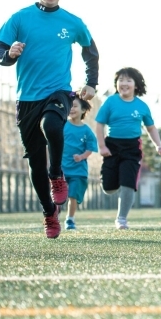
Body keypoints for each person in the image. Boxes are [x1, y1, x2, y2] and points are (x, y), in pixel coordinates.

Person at [0, 0, 99, 239]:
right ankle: (49, 214)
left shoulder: (73, 22)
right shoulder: (20, 18)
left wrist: (91, 82)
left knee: (52, 125)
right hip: (27, 99)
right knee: (35, 163)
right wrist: (9, 54)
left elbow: (91, 52)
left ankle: (57, 174)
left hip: (59, 91)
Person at [96, 67, 161, 230]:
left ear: (136, 85)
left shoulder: (142, 106)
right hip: (112, 146)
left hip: (132, 148)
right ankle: (112, 182)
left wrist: (158, 145)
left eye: (128, 80)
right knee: (109, 188)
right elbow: (100, 124)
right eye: (120, 80)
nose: (124, 83)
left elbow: (151, 128)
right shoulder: (110, 102)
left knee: (128, 183)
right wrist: (102, 146)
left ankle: (121, 219)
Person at [62, 95, 98, 230]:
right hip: (61, 169)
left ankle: (70, 219)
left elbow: (91, 148)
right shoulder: (62, 125)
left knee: (73, 195)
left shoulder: (86, 130)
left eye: (75, 106)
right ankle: (54, 214)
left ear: (83, 110)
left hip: (78, 171)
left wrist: (82, 157)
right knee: (59, 196)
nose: (72, 109)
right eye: (69, 106)